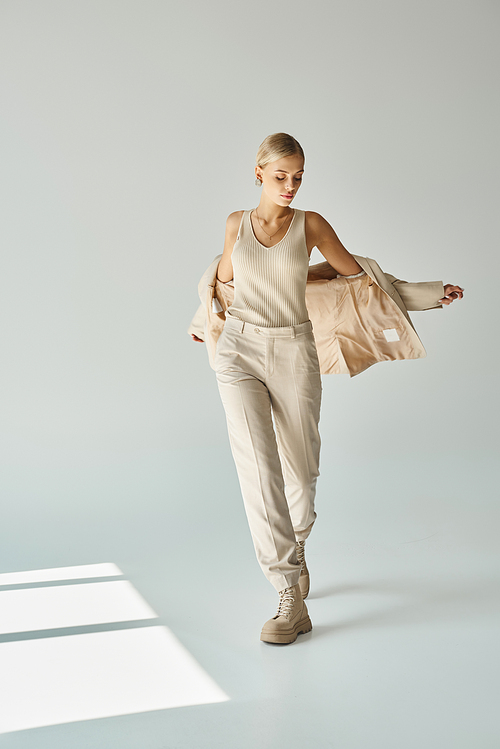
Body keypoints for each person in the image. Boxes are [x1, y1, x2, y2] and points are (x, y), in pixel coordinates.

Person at [190, 132, 464, 645]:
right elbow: (223, 285)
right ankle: (288, 593)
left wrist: (426, 294)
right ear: (258, 174)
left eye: (298, 177)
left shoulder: (310, 225)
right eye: (279, 176)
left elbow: (361, 280)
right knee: (258, 469)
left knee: (300, 470)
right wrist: (201, 320)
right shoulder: (235, 225)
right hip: (239, 354)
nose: (290, 186)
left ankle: (296, 546)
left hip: (294, 352)